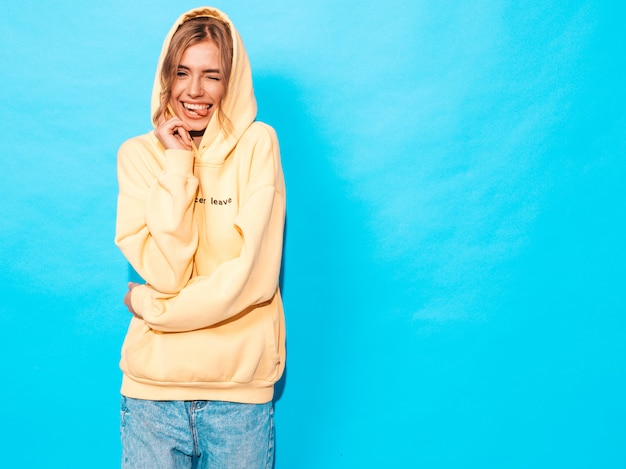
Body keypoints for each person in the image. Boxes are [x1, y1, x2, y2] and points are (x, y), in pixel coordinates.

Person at [114, 7, 286, 468]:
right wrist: (178, 164)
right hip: (153, 396)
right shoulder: (138, 156)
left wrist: (151, 307)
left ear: (232, 82)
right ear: (166, 76)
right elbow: (168, 273)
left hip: (239, 398)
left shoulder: (257, 146)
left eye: (212, 75)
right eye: (182, 72)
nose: (194, 91)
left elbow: (252, 278)